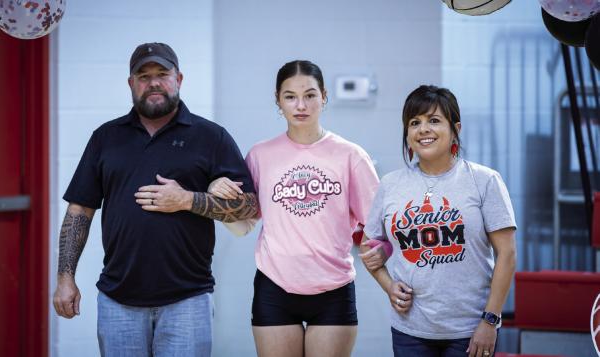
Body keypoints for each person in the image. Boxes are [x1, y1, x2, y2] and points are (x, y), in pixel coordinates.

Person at [52, 42, 258, 357]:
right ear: (131, 83)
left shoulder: (210, 136)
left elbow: (249, 206)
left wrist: (187, 199)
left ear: (179, 79)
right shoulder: (106, 138)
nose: (153, 83)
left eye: (162, 74)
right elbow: (80, 209)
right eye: (143, 76)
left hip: (187, 301)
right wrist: (65, 278)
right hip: (117, 301)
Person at [208, 60, 387, 357]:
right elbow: (243, 223)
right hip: (274, 287)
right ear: (278, 101)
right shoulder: (260, 155)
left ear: (324, 97)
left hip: (333, 288)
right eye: (290, 96)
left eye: (310, 95)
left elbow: (378, 227)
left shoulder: (351, 156)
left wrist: (382, 253)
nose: (300, 105)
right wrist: (216, 191)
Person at [360, 85, 517, 357]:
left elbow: (508, 254)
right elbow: (369, 246)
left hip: (470, 330)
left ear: (455, 128)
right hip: (410, 330)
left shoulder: (484, 180)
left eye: (434, 120)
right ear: (407, 134)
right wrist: (389, 285)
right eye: (415, 122)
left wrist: (490, 320)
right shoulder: (390, 185)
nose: (423, 129)